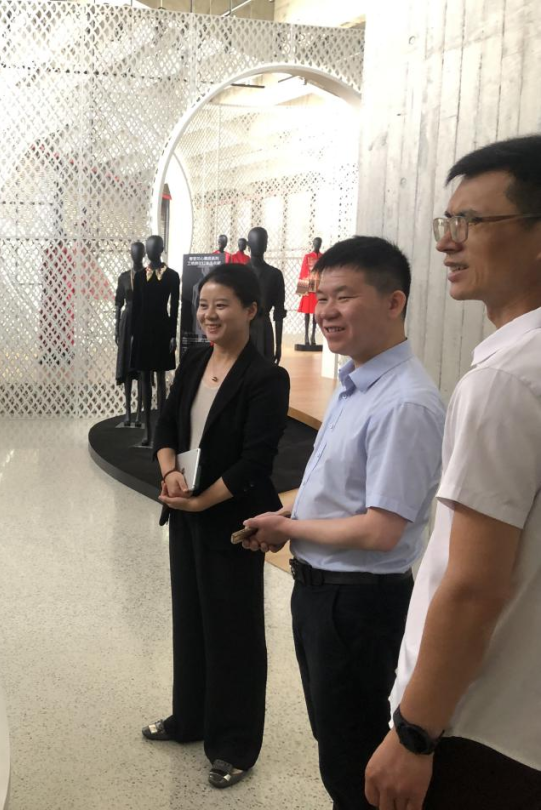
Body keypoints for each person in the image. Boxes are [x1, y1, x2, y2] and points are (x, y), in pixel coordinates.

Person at [365, 136, 541, 809]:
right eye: (448, 221)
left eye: (471, 222)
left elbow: (473, 586)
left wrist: (414, 734)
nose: (446, 242)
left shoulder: (507, 379)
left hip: (478, 729)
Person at [243, 236, 445, 810]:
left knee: (356, 762)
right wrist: (288, 513)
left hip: (359, 607)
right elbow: (339, 490)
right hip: (322, 597)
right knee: (337, 749)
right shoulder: (357, 382)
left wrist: (290, 531)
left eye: (344, 297)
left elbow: (381, 530)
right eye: (322, 296)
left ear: (394, 302)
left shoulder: (404, 403)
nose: (327, 311)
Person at [142, 264, 290, 789]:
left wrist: (202, 501)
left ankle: (234, 745)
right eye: (203, 305)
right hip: (185, 510)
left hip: (234, 520)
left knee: (234, 631)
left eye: (221, 305)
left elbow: (256, 461)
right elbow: (166, 424)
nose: (209, 314)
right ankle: (190, 719)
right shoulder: (193, 361)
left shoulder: (266, 378)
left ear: (251, 310)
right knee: (191, 619)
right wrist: (170, 473)